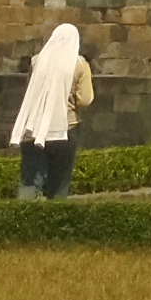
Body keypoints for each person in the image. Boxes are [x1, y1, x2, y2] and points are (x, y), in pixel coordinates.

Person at [11, 21, 93, 199]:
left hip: (33, 126)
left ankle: (19, 219)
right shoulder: (79, 64)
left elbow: (29, 91)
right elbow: (86, 99)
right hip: (65, 127)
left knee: (30, 179)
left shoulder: (37, 61)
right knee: (60, 180)